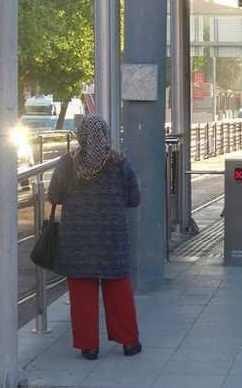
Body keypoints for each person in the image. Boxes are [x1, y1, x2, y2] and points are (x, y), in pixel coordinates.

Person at [48, 114, 142, 360]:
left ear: (81, 135)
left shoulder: (67, 163)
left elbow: (54, 196)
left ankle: (89, 346)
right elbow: (135, 199)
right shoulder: (121, 164)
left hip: (77, 239)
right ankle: (129, 342)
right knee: (118, 288)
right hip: (113, 238)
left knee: (82, 293)